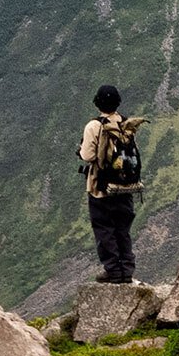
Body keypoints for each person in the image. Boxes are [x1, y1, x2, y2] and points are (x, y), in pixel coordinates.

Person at [77, 83, 148, 284]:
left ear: (98, 103)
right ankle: (127, 269)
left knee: (104, 228)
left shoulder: (94, 125)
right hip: (125, 187)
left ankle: (113, 270)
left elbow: (88, 155)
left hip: (101, 188)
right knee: (122, 228)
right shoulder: (126, 123)